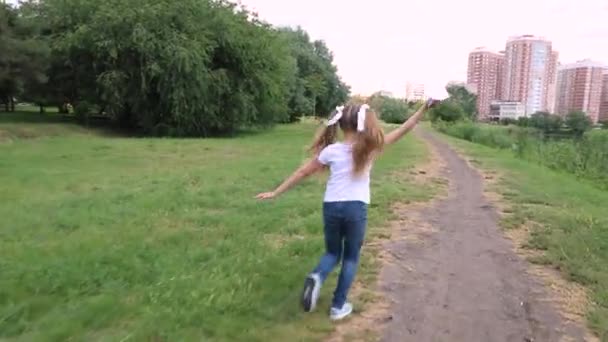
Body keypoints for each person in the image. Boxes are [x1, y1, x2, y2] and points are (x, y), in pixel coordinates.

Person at [256, 99, 435, 320]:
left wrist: (276, 192)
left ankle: (316, 276)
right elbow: (404, 128)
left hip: (331, 206)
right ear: (364, 124)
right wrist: (423, 108)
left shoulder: (331, 151)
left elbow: (303, 172)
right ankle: (338, 306)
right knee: (350, 258)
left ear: (341, 125)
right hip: (355, 208)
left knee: (332, 253)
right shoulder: (370, 149)